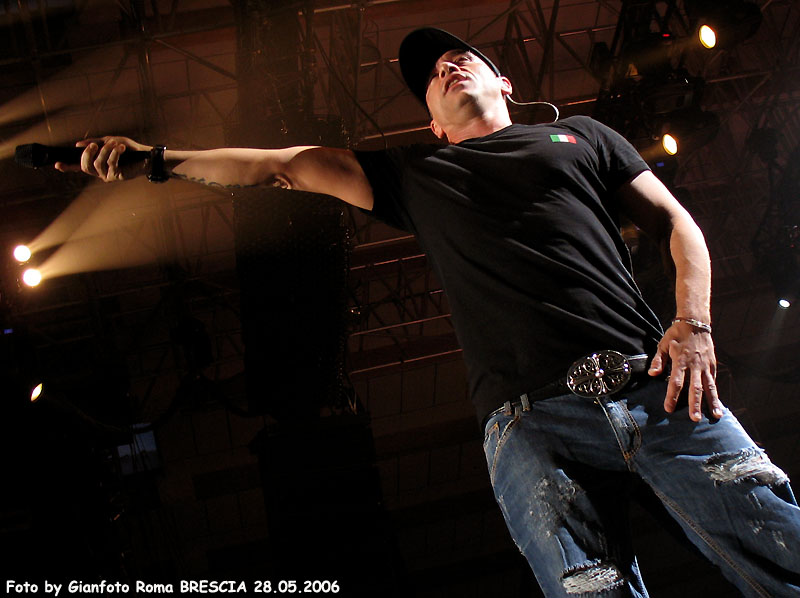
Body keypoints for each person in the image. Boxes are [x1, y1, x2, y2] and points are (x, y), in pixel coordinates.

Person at [58, 27, 799, 598]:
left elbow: (677, 223)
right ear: (435, 126)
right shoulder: (415, 173)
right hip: (529, 423)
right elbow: (278, 164)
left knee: (778, 542)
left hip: (653, 382)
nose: (448, 65)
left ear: (505, 82)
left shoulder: (581, 135)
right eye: (432, 77)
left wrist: (694, 324)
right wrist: (153, 158)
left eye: (461, 57)